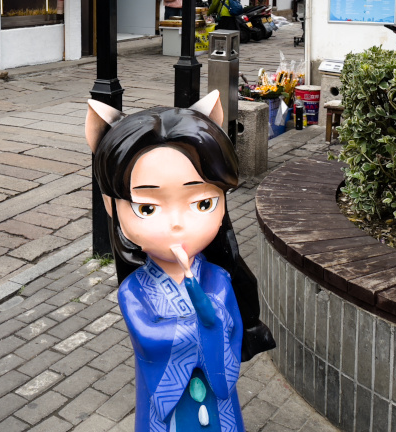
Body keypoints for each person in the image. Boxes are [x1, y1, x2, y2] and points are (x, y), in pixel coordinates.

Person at [85, 92, 275, 432]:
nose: (177, 224)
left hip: (217, 404)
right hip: (169, 409)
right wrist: (203, 326)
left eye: (202, 204)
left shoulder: (218, 279)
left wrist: (216, 324)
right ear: (111, 204)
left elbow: (229, 332)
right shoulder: (135, 291)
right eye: (147, 208)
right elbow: (149, 339)